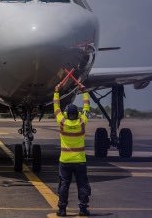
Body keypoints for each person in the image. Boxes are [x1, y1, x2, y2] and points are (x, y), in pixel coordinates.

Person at [53, 74, 91, 216]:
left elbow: (56, 107)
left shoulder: (63, 122)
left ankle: (62, 210)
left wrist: (56, 91)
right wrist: (84, 91)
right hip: (80, 161)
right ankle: (82, 209)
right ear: (78, 114)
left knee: (64, 185)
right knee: (82, 185)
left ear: (67, 114)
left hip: (65, 161)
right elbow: (87, 108)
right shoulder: (82, 122)